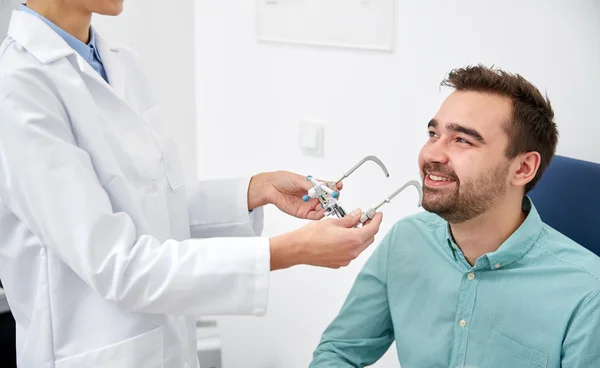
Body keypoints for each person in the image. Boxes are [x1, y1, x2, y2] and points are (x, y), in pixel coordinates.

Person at [0, 1, 384, 367]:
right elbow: (118, 266)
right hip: (92, 349)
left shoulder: (120, 62)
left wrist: (255, 191)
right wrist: (289, 251)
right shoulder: (21, 88)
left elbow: (153, 205)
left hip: (164, 345)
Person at [310, 65, 600, 367]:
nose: (433, 154)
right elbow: (339, 352)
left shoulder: (589, 296)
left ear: (523, 168)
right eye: (433, 134)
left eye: (462, 140)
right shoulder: (406, 239)